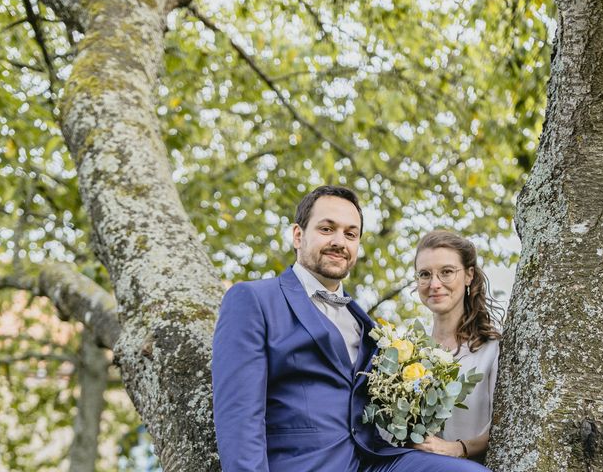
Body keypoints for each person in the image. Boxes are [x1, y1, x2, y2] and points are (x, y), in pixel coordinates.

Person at [212, 186, 490, 471]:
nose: (339, 241)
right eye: (326, 229)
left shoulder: (364, 322)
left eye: (350, 234)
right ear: (298, 235)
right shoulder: (254, 300)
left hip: (374, 462)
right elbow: (238, 415)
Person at [411, 230, 502, 463]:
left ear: (469, 275)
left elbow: (505, 427)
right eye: (425, 274)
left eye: (447, 272)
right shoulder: (408, 352)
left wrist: (456, 448)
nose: (434, 284)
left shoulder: (492, 350)